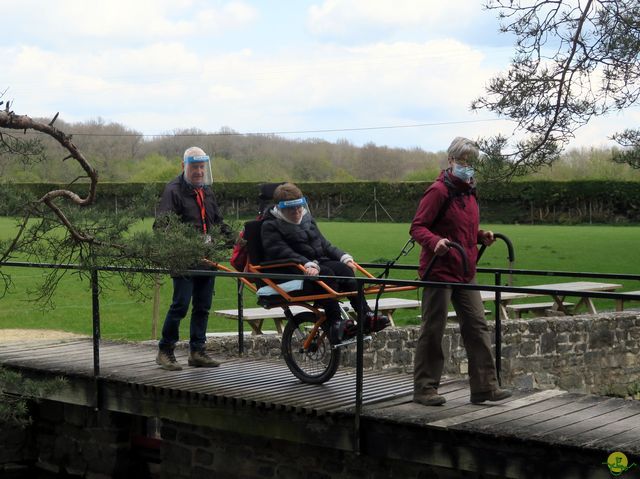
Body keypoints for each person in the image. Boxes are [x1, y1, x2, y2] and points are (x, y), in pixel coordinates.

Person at [410, 137, 512, 405]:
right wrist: (435, 242)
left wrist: (480, 236)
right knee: (434, 328)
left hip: (466, 270)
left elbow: (462, 229)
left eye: (470, 161)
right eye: (463, 160)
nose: (467, 166)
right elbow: (418, 227)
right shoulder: (438, 191)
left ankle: (485, 388)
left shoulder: (469, 190)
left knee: (477, 327)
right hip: (439, 270)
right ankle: (425, 389)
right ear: (450, 160)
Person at [260, 183, 390, 344]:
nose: (297, 212)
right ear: (280, 209)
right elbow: (280, 251)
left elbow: (324, 244)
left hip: (317, 263)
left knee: (344, 269)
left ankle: (366, 315)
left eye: (299, 206)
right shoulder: (270, 226)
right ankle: (335, 322)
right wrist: (306, 264)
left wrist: (344, 257)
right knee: (327, 273)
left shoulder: (307, 219)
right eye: (291, 209)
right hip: (291, 269)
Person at [154, 146, 233, 371]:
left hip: (208, 259)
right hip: (183, 259)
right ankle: (165, 350)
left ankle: (197, 352)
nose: (199, 171)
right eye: (194, 167)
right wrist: (186, 245)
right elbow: (162, 227)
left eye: (201, 167)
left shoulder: (206, 191)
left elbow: (217, 222)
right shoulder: (173, 191)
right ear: (184, 166)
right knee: (180, 305)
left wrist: (236, 240)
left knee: (203, 306)